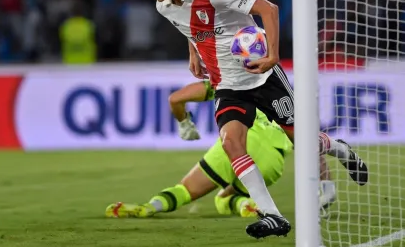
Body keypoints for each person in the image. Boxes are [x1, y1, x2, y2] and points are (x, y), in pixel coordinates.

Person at [134, 0, 368, 238]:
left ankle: (341, 149)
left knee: (304, 144)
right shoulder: (165, 6)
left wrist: (272, 55)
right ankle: (273, 216)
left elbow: (268, 9)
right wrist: (193, 53)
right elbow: (189, 27)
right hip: (227, 85)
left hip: (263, 77)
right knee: (232, 143)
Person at [105, 80, 293, 220]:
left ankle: (150, 207)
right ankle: (246, 204)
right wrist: (323, 185)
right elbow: (310, 144)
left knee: (184, 190)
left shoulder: (228, 76)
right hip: (273, 159)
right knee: (224, 198)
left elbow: (175, 99)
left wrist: (184, 123)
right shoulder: (281, 88)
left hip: (238, 143)